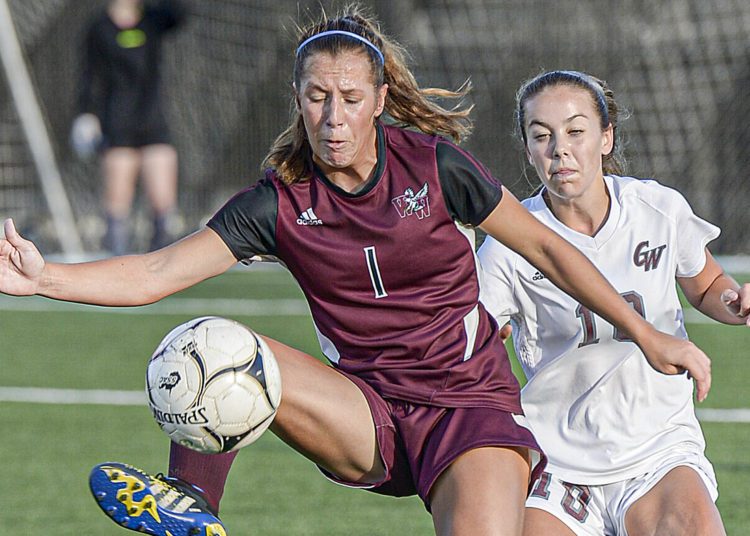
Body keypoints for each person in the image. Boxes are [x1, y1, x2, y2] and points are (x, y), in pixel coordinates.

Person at [1, 8, 712, 535]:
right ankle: (194, 511)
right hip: (365, 413)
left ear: (377, 100)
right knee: (205, 341)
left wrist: (646, 334)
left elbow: (552, 251)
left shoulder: (435, 167)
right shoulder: (279, 202)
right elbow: (157, 272)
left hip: (472, 416)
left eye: (348, 98)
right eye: (316, 97)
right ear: (298, 100)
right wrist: (45, 278)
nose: (332, 116)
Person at [478, 70, 749, 536]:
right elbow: (476, 331)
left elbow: (705, 284)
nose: (559, 148)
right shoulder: (508, 242)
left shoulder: (657, 209)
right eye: (541, 136)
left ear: (606, 137)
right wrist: (489, 332)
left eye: (575, 131)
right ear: (528, 150)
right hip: (558, 462)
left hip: (657, 448)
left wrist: (734, 301)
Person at [71, 0, 184, 255]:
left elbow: (179, 14)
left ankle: (164, 267)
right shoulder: (99, 28)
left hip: (153, 124)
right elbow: (90, 75)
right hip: (117, 126)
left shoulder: (153, 21)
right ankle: (116, 263)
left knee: (163, 204)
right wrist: (86, 114)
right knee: (116, 205)